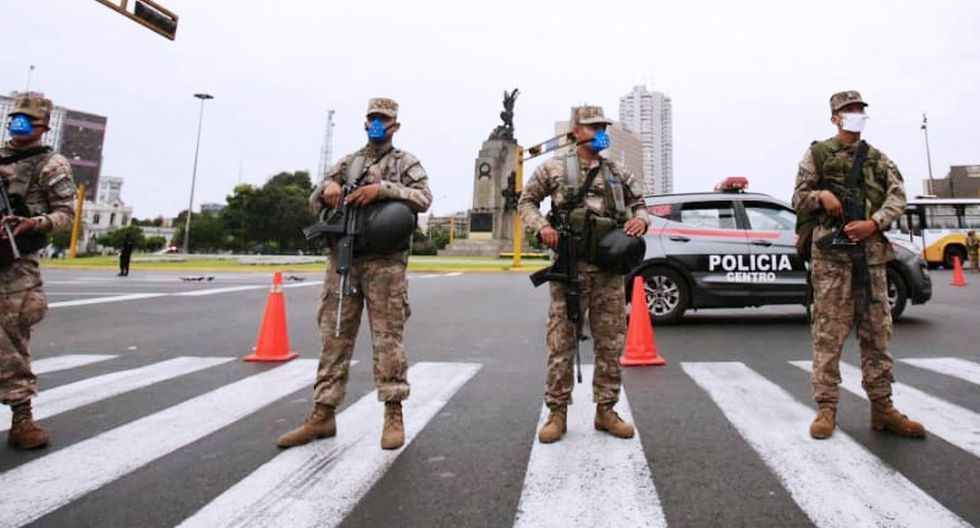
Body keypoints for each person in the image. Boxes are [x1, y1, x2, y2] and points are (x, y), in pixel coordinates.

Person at [278, 97, 431, 450]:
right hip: (344, 259)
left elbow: (423, 197)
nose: (378, 124)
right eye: (372, 118)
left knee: (387, 339)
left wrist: (382, 190)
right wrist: (326, 190)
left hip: (385, 264)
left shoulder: (405, 162)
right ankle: (323, 413)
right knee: (334, 336)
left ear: (395, 125)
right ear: (365, 123)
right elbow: (316, 197)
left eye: (384, 119)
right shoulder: (349, 162)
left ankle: (393, 412)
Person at [793, 90, 925, 440]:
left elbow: (898, 196)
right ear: (835, 117)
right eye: (847, 110)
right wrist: (821, 195)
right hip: (832, 261)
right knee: (827, 336)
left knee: (877, 336)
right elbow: (798, 198)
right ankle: (826, 409)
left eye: (859, 109)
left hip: (871, 259)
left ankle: (882, 408)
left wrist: (875, 223)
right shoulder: (818, 154)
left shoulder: (878, 159)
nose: (855, 114)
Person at [517, 105, 649, 444]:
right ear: (577, 132)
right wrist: (542, 226)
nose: (600, 131)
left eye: (603, 125)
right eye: (593, 126)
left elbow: (641, 205)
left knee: (610, 342)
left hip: (609, 269)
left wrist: (641, 221)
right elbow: (526, 202)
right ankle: (557, 412)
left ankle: (606, 409)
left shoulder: (618, 171)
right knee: (561, 342)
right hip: (571, 268)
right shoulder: (554, 167)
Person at [0, 94, 77, 449]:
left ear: (44, 125)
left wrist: (36, 222)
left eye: (27, 119)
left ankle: (21, 418)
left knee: (11, 339)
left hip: (15, 264)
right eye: (15, 117)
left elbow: (66, 213)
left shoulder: (51, 165)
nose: (18, 124)